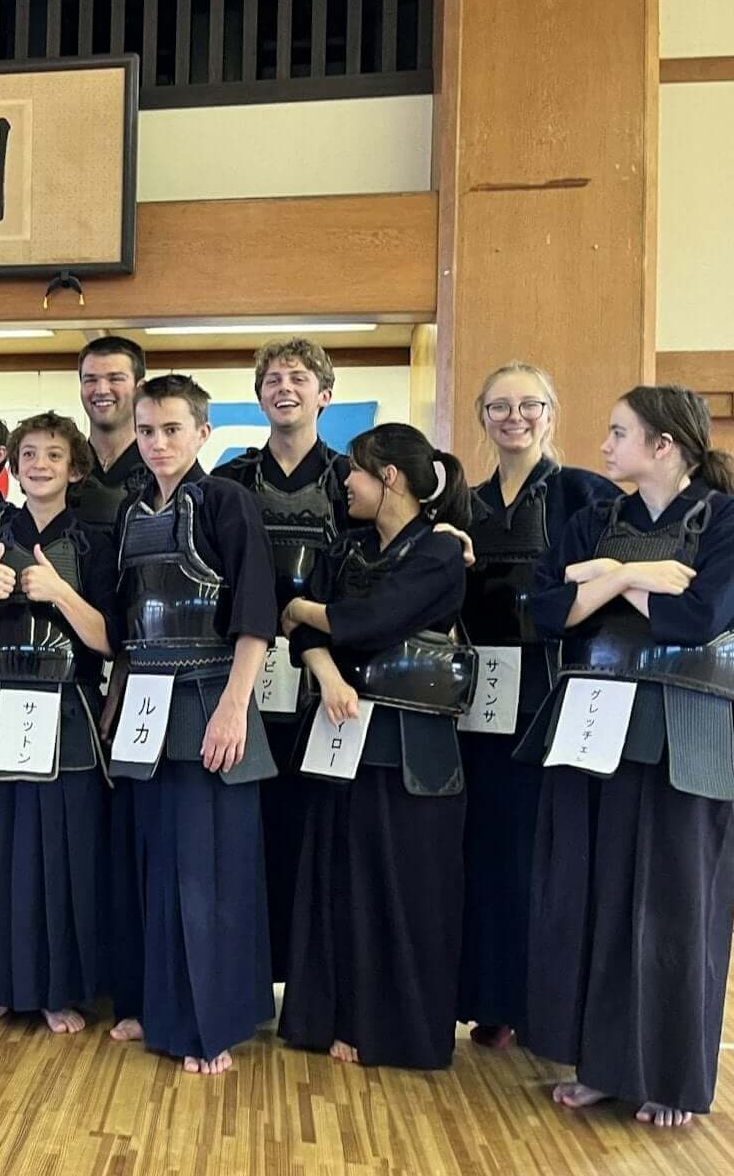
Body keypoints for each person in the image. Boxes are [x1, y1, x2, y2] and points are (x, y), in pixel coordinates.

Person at [522, 385, 734, 1128]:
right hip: (596, 720)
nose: (604, 445)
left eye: (618, 432)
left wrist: (600, 581)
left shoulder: (728, 518)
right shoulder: (596, 518)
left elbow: (696, 617)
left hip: (684, 726)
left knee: (675, 904)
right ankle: (600, 1065)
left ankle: (670, 1076)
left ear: (664, 445)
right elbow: (540, 610)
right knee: (591, 894)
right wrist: (630, 574)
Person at [277, 423, 472, 1071]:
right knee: (338, 875)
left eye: (356, 472)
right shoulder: (347, 545)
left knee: (405, 883)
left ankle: (395, 1029)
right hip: (340, 726)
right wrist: (328, 672)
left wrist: (308, 611)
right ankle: (330, 1016)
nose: (346, 484)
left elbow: (373, 619)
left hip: (411, 741)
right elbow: (305, 631)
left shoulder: (440, 552)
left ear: (389, 475)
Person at [105, 374, 277, 1075]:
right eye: (146, 430)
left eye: (172, 429)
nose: (158, 442)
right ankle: (153, 1002)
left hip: (209, 696)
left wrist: (235, 705)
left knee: (207, 871)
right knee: (149, 861)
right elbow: (125, 623)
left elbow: (255, 611)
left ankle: (211, 1024)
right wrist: (115, 703)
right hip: (143, 702)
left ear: (203, 432)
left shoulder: (228, 501)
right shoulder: (131, 509)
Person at [0, 411, 114, 1035]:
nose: (39, 465)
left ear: (76, 468)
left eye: (54, 456)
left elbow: (111, 640)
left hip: (65, 713)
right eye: (29, 454)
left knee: (59, 852)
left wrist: (62, 592)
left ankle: (55, 989)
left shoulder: (94, 540)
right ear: (13, 464)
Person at [454, 363, 618, 1051]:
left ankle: (545, 1005)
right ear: (482, 416)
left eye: (528, 404)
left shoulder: (586, 492)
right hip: (478, 695)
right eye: (499, 405)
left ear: (551, 412)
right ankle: (488, 999)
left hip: (555, 692)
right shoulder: (463, 501)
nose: (513, 416)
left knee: (546, 852)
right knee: (483, 847)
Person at [209, 338, 354, 981]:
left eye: (298, 377)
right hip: (245, 674)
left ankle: (309, 982)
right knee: (248, 826)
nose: (283, 387)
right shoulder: (231, 478)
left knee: (317, 828)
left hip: (327, 675)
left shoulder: (353, 478)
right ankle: (245, 973)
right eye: (271, 378)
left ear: (325, 394)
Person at [68, 336, 152, 535]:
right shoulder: (64, 466)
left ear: (139, 389)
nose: (101, 390)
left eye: (115, 379)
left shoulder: (160, 467)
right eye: (90, 380)